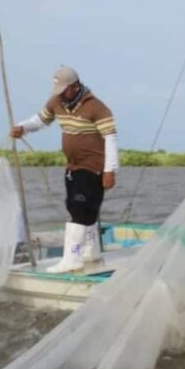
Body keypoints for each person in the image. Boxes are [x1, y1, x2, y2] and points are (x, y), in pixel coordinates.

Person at [10, 66, 118, 273]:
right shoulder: (57, 102)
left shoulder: (97, 107)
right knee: (79, 207)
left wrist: (110, 170)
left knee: (79, 207)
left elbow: (111, 139)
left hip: (94, 166)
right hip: (73, 165)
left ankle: (72, 258)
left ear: (76, 86)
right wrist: (23, 127)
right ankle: (90, 250)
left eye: (63, 90)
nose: (59, 94)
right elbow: (39, 120)